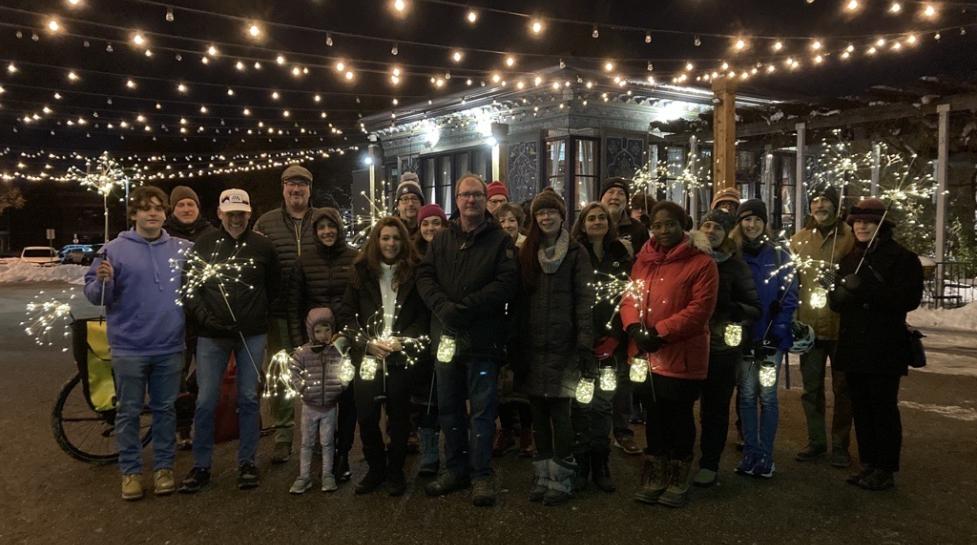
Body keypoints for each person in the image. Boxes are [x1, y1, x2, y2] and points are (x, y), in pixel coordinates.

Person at [416, 174, 518, 507]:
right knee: (449, 408)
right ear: (456, 199)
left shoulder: (499, 241)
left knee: (483, 411)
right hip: (446, 338)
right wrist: (445, 308)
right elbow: (425, 276)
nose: (470, 200)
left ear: (485, 199)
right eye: (465, 195)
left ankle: (481, 474)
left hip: (482, 342)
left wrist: (467, 307)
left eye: (476, 195)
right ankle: (456, 468)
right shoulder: (442, 239)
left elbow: (505, 284)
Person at [84, 186, 191, 501]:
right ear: (134, 214)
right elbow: (95, 296)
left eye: (159, 208)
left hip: (170, 345)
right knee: (129, 412)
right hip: (129, 347)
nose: (153, 213)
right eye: (146, 208)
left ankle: (163, 469)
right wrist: (103, 281)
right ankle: (130, 472)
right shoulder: (113, 250)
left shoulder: (181, 249)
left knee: (165, 410)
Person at [179, 189, 280, 493]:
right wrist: (206, 320)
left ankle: (247, 461)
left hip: (251, 333)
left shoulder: (263, 246)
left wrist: (258, 313)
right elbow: (191, 288)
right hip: (213, 335)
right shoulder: (204, 244)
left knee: (249, 398)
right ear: (221, 214)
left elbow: (273, 285)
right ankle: (201, 465)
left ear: (249, 214)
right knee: (207, 399)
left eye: (241, 214)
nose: (236, 219)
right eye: (231, 213)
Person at [623, 201, 718, 508]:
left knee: (678, 415)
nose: (663, 231)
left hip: (681, 356)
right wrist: (634, 327)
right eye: (658, 226)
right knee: (653, 415)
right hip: (646, 355)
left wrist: (660, 332)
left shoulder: (702, 264)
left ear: (683, 225)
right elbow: (630, 296)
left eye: (670, 225)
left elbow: (698, 311)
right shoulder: (644, 260)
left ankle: (677, 472)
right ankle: (656, 471)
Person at [829, 197, 923, 491]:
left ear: (882, 225)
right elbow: (839, 302)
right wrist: (835, 298)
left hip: (883, 347)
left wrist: (866, 291)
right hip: (854, 346)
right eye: (857, 222)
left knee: (883, 408)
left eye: (867, 222)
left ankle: (885, 467)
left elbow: (908, 299)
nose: (861, 226)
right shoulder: (849, 259)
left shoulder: (903, 258)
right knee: (861, 407)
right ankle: (869, 462)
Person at [513, 191, 594, 506]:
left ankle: (562, 478)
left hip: (565, 345)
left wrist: (584, 342)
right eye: (540, 213)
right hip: (533, 345)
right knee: (537, 412)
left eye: (551, 213)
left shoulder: (576, 252)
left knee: (562, 414)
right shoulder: (527, 252)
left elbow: (585, 300)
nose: (546, 218)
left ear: (562, 216)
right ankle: (543, 473)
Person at [337, 216, 429, 497]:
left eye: (396, 238)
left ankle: (395, 471)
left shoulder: (415, 273)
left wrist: (404, 342)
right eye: (385, 238)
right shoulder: (360, 273)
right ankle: (376, 469)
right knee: (366, 416)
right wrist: (365, 343)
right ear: (377, 241)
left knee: (400, 418)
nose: (390, 243)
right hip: (368, 357)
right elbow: (346, 316)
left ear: (404, 242)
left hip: (400, 357)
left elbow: (423, 317)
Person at [286, 207, 358, 482]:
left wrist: (348, 333)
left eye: (332, 226)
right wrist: (297, 344)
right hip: (313, 344)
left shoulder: (354, 258)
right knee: (316, 398)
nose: (327, 231)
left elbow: (358, 300)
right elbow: (294, 304)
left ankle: (342, 453)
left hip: (344, 340)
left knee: (347, 398)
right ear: (315, 232)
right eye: (321, 227)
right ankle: (317, 449)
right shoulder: (304, 262)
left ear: (339, 229)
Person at [254, 164, 320, 464]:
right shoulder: (265, 223)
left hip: (315, 312)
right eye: (291, 185)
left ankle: (318, 432)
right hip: (278, 311)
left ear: (310, 189)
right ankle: (283, 434)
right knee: (281, 374)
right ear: (283, 188)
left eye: (302, 185)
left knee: (318, 374)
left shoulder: (322, 219)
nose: (297, 190)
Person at [729, 199, 798, 479]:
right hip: (745, 336)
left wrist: (779, 329)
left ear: (764, 223)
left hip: (771, 337)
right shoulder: (733, 254)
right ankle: (750, 452)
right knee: (746, 395)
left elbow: (790, 295)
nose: (752, 225)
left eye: (757, 219)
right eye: (747, 219)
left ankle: (766, 456)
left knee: (767, 396)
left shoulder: (780, 254)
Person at [692, 210, 761, 487]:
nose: (711, 231)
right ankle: (681, 455)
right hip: (690, 342)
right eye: (707, 224)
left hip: (721, 347)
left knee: (715, 407)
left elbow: (754, 307)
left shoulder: (735, 266)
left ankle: (709, 462)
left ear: (728, 232)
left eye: (718, 227)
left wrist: (733, 310)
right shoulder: (689, 259)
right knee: (681, 404)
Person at [789, 186, 856, 467]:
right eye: (815, 201)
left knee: (844, 390)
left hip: (842, 326)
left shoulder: (850, 238)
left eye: (825, 200)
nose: (819, 205)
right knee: (811, 388)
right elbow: (792, 283)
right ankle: (816, 440)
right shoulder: (798, 240)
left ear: (836, 205)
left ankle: (840, 445)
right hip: (811, 327)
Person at [569, 201, 633, 493]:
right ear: (582, 224)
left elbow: (628, 299)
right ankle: (581, 463)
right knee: (581, 405)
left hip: (611, 342)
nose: (596, 222)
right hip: (581, 342)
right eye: (590, 218)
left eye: (601, 218)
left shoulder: (620, 254)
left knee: (603, 406)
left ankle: (601, 461)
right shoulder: (573, 254)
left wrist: (615, 336)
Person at [162, 185, 217, 450]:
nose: (186, 209)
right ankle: (181, 429)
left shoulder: (210, 233)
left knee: (208, 373)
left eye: (191, 205)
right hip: (175, 317)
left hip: (205, 315)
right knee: (176, 375)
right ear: (173, 209)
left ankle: (206, 422)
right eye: (181, 205)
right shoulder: (163, 235)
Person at [288, 308, 346, 494]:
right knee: (307, 442)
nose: (323, 335)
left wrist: (341, 385)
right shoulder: (303, 353)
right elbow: (293, 371)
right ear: (311, 331)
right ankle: (304, 476)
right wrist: (303, 388)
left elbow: (346, 368)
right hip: (309, 406)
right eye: (318, 331)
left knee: (328, 442)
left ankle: (327, 474)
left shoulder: (336, 351)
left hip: (329, 406)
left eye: (327, 329)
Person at [492, 201, 533, 458]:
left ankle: (527, 431)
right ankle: (506, 429)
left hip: (522, 318)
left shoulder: (527, 248)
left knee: (521, 379)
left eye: (511, 220)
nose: (507, 225)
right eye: (502, 221)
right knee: (499, 381)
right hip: (497, 320)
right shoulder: (493, 248)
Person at [411, 203, 447, 476]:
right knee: (424, 395)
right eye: (426, 223)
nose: (430, 228)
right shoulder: (412, 257)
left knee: (450, 393)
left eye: (436, 222)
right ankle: (430, 452)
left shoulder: (452, 253)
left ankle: (457, 449)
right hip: (418, 333)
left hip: (445, 331)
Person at [600, 177, 649, 255]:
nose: (615, 197)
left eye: (621, 193)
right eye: (610, 192)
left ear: (626, 201)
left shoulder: (639, 229)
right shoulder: (592, 226)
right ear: (601, 198)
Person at [395, 172, 424, 238]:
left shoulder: (427, 232)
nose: (410, 204)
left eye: (414, 198)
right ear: (398, 206)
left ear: (421, 204)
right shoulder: (391, 231)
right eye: (405, 199)